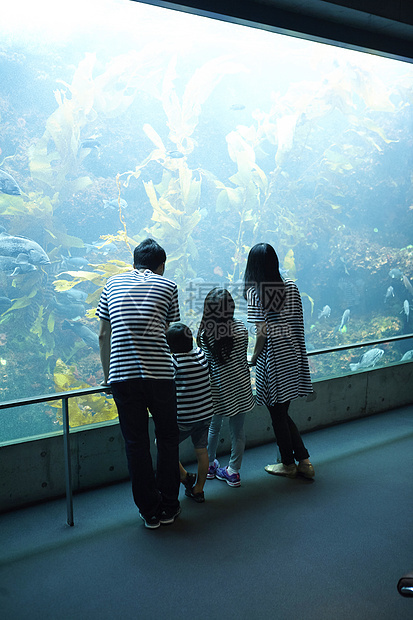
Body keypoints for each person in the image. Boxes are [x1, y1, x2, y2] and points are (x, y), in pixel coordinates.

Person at [96, 238, 181, 529]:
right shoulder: (168, 286)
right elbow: (172, 333)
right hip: (160, 376)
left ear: (133, 263)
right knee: (168, 439)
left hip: (123, 377)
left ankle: (149, 511)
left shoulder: (111, 284)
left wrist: (109, 376)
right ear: (161, 266)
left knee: (136, 443)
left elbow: (103, 334)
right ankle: (169, 505)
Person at [244, 242, 315, 479]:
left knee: (277, 414)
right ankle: (303, 461)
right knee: (282, 411)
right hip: (292, 355)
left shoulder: (256, 292)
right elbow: (296, 325)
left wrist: (253, 358)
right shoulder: (292, 288)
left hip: (273, 359)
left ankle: (288, 464)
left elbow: (262, 332)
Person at [197, 288, 254, 487]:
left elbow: (208, 364)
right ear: (230, 308)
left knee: (213, 427)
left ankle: (210, 464)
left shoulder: (207, 334)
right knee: (238, 431)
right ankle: (233, 471)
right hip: (241, 387)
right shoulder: (241, 328)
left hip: (218, 391)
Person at [166, 322, 214, 503]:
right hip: (205, 414)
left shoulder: (174, 362)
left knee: (164, 444)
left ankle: (185, 476)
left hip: (184, 418)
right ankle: (199, 489)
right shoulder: (201, 355)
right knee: (202, 452)